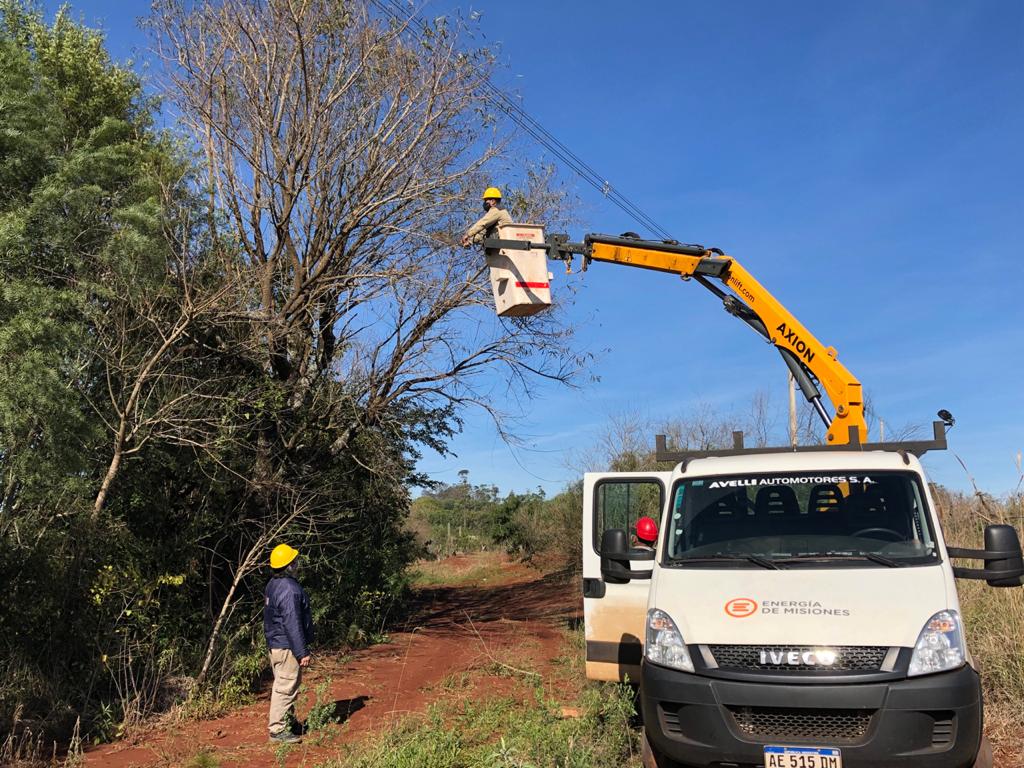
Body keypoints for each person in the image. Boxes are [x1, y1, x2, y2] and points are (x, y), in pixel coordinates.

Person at [264, 543, 314, 743]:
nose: (297, 563)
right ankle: (277, 730)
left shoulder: (273, 584)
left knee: (288, 685)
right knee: (285, 687)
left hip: (276, 644)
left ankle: (288, 722)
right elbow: (292, 622)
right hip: (286, 646)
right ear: (289, 565)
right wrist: (302, 652)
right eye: (294, 561)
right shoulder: (289, 589)